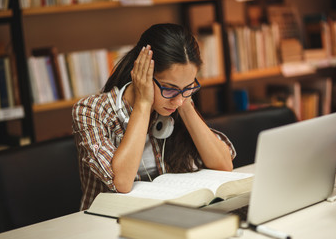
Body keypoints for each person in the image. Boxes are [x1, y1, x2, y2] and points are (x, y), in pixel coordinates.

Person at [72, 23, 236, 210]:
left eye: (189, 87)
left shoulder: (179, 102)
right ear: (142, 74)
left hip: (169, 213)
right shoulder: (90, 111)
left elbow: (224, 166)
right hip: (108, 221)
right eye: (170, 88)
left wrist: (187, 105)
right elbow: (122, 182)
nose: (178, 100)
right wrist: (143, 104)